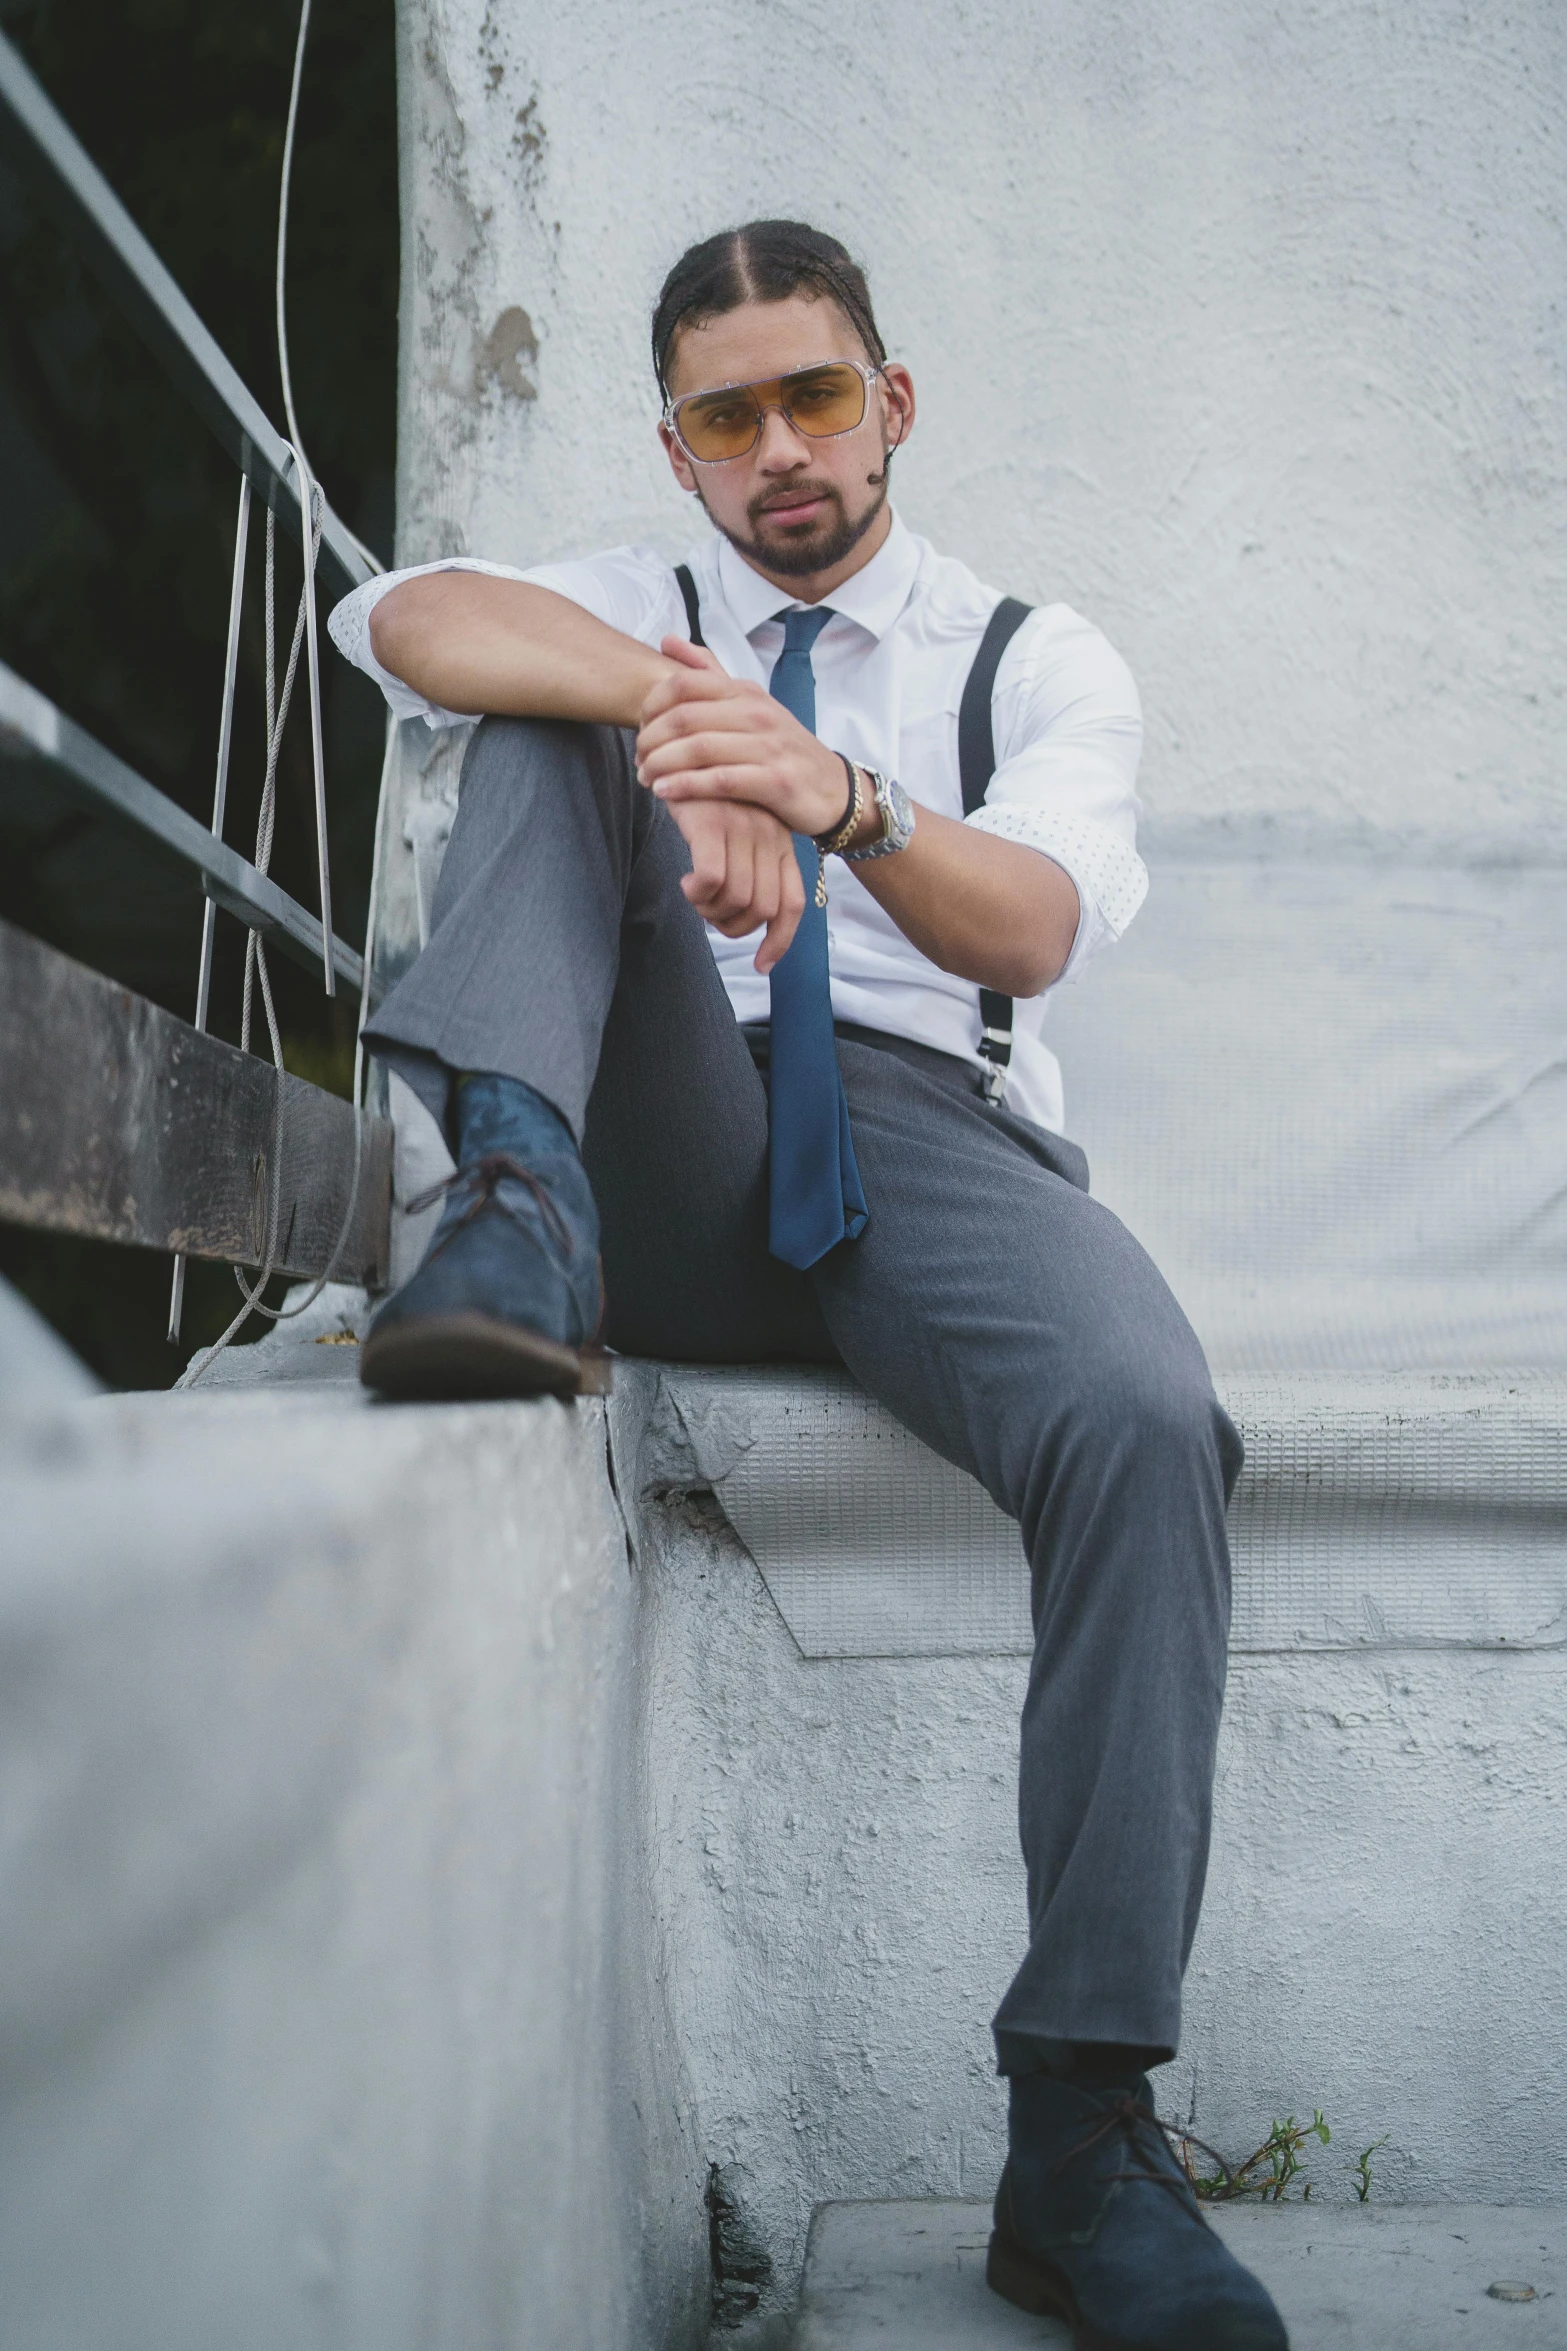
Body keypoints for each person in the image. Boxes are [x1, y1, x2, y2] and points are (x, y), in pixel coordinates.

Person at [328, 219, 1284, 2350]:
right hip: (654, 1126)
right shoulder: (640, 594)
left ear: (893, 403)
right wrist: (686, 719)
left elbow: (1029, 925)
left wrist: (832, 796)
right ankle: (511, 1192)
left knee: (1146, 1417)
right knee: (540, 712)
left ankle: (1081, 2131)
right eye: (727, 413)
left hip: (929, 1142)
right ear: (677, 445)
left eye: (817, 397)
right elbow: (396, 612)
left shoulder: (1034, 652)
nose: (781, 449)